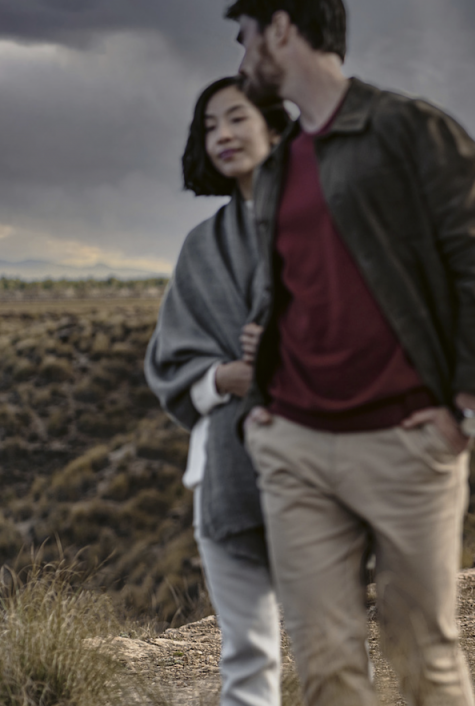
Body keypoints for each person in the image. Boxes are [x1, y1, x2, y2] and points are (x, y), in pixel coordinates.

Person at [223, 1, 475, 705]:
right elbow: (288, 291)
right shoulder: (278, 167)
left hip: (405, 442)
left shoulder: (411, 130)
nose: (241, 59)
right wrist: (263, 406)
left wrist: (468, 407)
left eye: (246, 37)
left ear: (282, 28)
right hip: (294, 446)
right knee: (325, 668)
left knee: (423, 658)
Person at [145, 76, 290, 706]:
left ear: (275, 130)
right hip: (225, 473)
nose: (222, 135)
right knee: (246, 656)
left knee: (330, 643)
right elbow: (169, 355)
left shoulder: (321, 227)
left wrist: (284, 354)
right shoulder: (200, 246)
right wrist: (220, 377)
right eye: (209, 126)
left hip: (315, 460)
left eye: (236, 118)